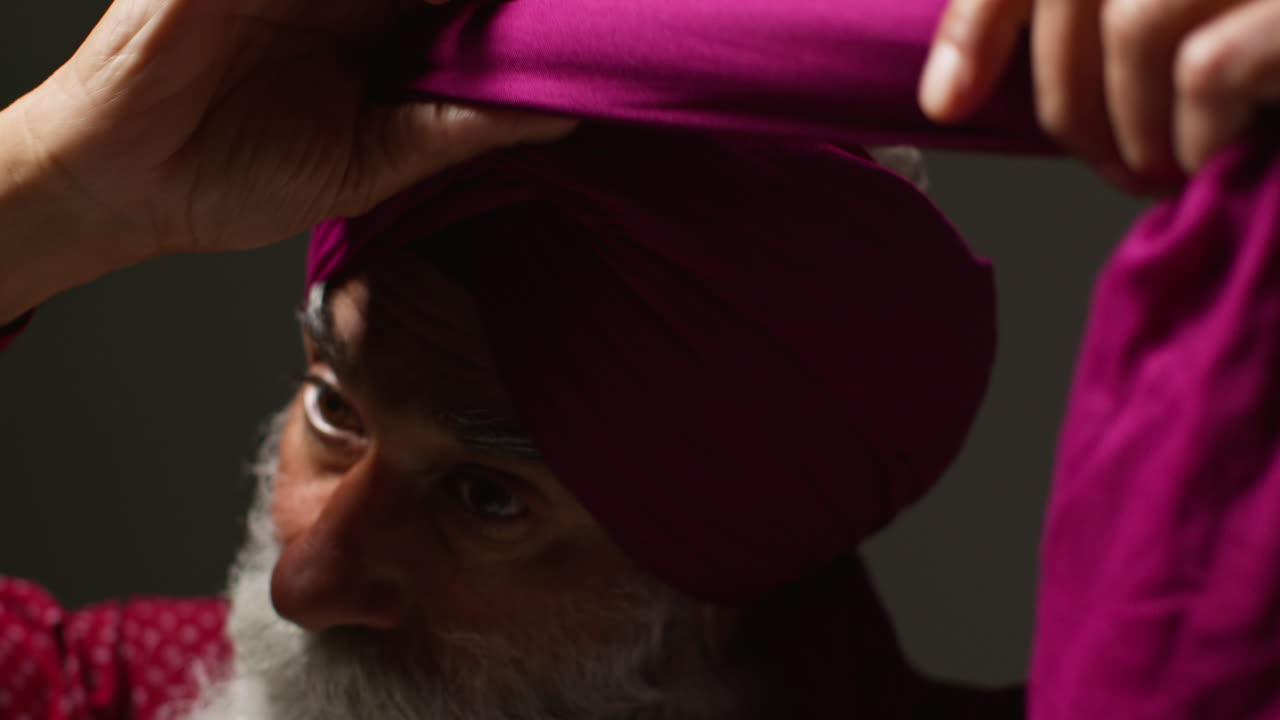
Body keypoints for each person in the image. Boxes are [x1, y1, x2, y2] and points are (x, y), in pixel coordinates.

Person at [2, 0, 1276, 718]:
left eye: (487, 498)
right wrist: (55, 188)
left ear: (710, 595)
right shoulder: (144, 696)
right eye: (333, 410)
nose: (308, 579)